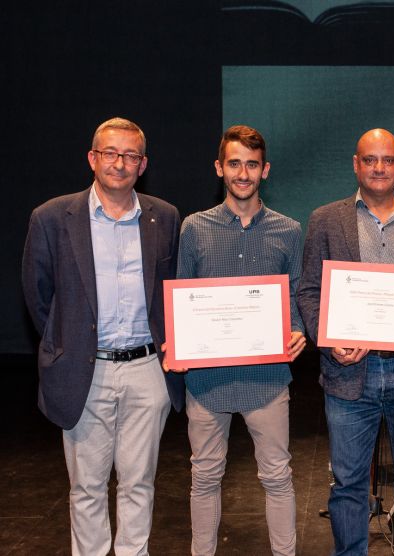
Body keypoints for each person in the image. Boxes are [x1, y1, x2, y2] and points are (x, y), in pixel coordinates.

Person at [21, 117, 184, 555]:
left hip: (148, 372)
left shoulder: (164, 216)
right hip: (82, 371)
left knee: (139, 483)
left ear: (143, 163)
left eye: (130, 155)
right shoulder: (52, 217)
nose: (120, 163)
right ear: (92, 159)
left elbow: (172, 290)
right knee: (87, 487)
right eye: (110, 153)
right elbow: (38, 297)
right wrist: (64, 345)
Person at [297, 128, 394, 556]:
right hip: (351, 373)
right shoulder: (326, 219)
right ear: (355, 164)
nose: (378, 168)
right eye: (370, 160)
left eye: (387, 159)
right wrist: (329, 342)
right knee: (348, 482)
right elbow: (310, 291)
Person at [166, 125, 307, 555]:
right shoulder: (194, 228)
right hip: (207, 381)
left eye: (251, 164)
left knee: (278, 477)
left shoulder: (289, 230)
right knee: (205, 477)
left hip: (267, 380)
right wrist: (177, 342)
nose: (242, 173)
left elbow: (297, 298)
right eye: (234, 163)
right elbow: (181, 298)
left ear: (265, 170)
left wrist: (299, 331)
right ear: (219, 168)